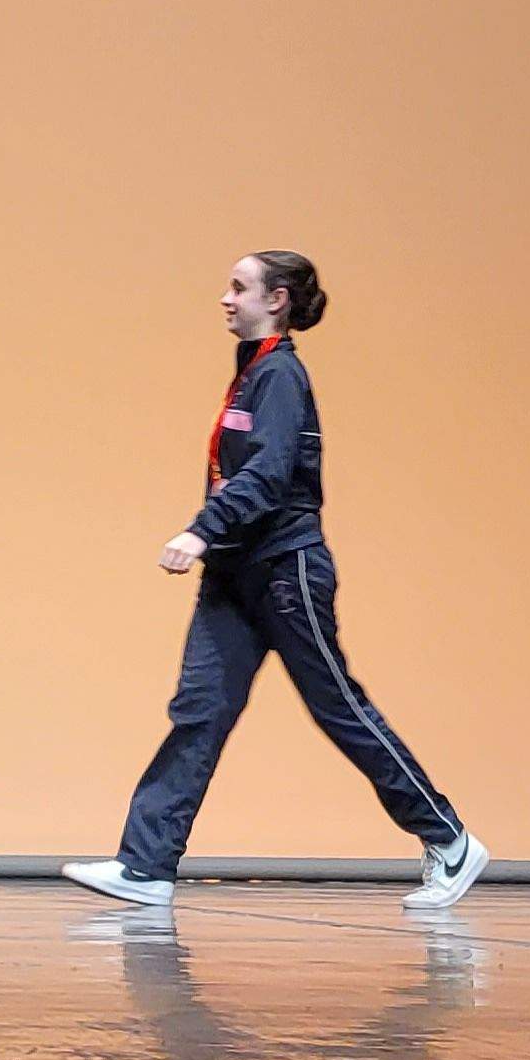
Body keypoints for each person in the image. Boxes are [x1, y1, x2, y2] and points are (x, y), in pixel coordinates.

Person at [63, 251, 488, 911]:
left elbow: (268, 473)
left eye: (239, 288)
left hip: (286, 571)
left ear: (278, 300)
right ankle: (145, 865)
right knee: (198, 713)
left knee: (339, 709)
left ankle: (451, 840)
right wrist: (216, 544)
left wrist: (200, 528)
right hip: (234, 576)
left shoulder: (281, 376)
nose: (225, 299)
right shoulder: (251, 376)